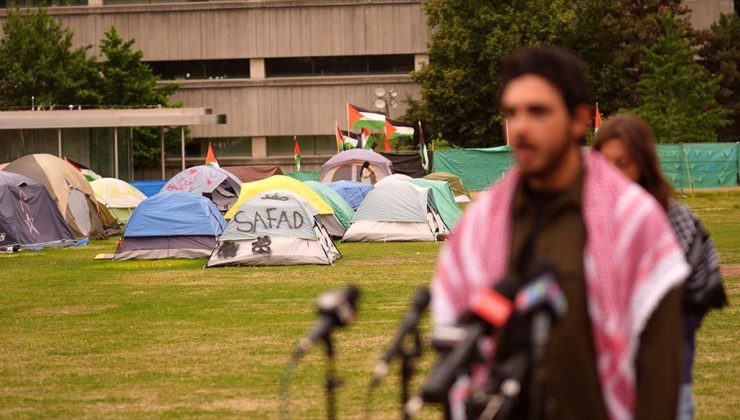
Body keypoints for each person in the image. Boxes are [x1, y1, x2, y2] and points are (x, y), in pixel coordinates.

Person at [431, 47, 690, 420]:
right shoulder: (480, 223)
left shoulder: (633, 219)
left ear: (578, 119)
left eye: (538, 111)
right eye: (511, 113)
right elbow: (455, 344)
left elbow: (659, 367)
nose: (520, 127)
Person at [593, 114, 727, 420]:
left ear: (644, 164)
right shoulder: (584, 224)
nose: (613, 174)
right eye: (605, 164)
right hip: (599, 386)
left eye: (623, 162)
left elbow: (697, 294)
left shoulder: (676, 221)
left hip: (665, 381)